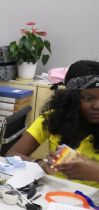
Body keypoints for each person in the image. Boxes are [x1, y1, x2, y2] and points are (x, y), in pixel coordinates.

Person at [7, 60, 99, 188]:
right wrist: (42, 165)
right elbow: (12, 154)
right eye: (88, 98)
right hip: (54, 192)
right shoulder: (54, 118)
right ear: (72, 98)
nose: (97, 106)